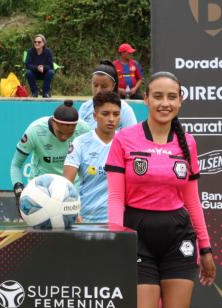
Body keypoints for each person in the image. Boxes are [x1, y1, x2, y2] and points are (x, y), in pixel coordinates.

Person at [105, 72, 216, 308]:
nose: (164, 103)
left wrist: (205, 248)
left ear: (180, 101)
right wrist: (116, 240)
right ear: (146, 99)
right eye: (157, 96)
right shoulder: (124, 139)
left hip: (179, 238)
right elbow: (115, 198)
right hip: (135, 235)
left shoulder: (188, 142)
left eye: (171, 97)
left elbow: (193, 201)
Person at [10, 100, 89, 205]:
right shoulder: (35, 130)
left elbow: (89, 164)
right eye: (60, 132)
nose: (64, 137)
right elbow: (16, 165)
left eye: (70, 133)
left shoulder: (84, 129)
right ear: (53, 122)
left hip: (72, 189)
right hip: (41, 189)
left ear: (76, 126)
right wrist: (18, 188)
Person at [63, 92, 121, 223]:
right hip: (86, 219)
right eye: (105, 114)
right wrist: (72, 211)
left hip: (118, 221)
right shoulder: (80, 143)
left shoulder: (127, 142)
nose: (111, 119)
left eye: (116, 114)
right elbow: (66, 184)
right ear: (95, 116)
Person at [78, 60, 137, 130]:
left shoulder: (125, 110)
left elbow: (132, 137)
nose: (98, 90)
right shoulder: (85, 108)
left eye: (104, 86)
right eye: (95, 85)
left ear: (113, 86)